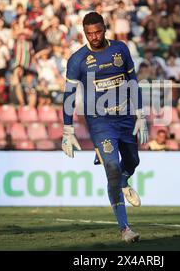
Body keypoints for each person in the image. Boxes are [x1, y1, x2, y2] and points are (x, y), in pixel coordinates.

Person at [62, 12, 148, 243]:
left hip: (126, 116)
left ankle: (124, 180)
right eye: (89, 33)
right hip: (100, 121)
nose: (94, 36)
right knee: (111, 166)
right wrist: (67, 129)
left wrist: (140, 113)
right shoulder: (78, 60)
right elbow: (69, 94)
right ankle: (125, 228)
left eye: (98, 31)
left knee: (132, 161)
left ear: (105, 29)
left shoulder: (120, 49)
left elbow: (132, 81)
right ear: (84, 32)